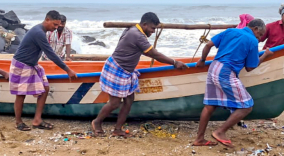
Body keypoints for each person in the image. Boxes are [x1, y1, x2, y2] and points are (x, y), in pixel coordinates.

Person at [91, 12, 187, 137]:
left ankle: (117, 129)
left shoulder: (132, 30)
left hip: (126, 71)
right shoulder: (137, 35)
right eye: (152, 28)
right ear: (145, 24)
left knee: (129, 100)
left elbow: (145, 51)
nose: (153, 32)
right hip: (117, 69)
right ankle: (97, 122)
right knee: (114, 103)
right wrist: (174, 62)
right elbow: (154, 54)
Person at [192, 19, 273, 147]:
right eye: (260, 34)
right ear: (256, 29)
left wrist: (202, 60)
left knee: (210, 105)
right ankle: (220, 131)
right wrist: (265, 56)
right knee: (246, 106)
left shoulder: (230, 31)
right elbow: (250, 67)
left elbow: (208, 45)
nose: (260, 38)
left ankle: (199, 139)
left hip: (214, 67)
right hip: (226, 72)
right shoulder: (252, 41)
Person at [11, 10, 77, 131]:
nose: (56, 28)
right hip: (21, 65)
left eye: (58, 25)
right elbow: (51, 54)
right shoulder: (38, 32)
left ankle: (37, 120)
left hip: (33, 65)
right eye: (55, 25)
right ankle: (18, 122)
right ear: (47, 20)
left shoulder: (42, 31)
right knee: (21, 95)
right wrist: (68, 70)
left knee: (45, 88)